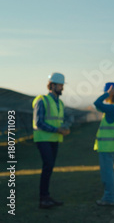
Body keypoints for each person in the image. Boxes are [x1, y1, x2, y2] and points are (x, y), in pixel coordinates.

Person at [32, 72, 70, 209]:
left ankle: (46, 197)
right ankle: (43, 199)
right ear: (52, 85)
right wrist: (56, 130)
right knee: (48, 165)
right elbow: (38, 122)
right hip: (43, 138)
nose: (62, 88)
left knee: (49, 167)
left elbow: (59, 121)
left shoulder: (60, 103)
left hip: (54, 139)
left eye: (62, 85)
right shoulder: (42, 100)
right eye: (60, 85)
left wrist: (64, 129)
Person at [93, 82, 114, 206]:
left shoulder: (111, 108)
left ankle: (109, 198)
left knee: (107, 174)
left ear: (111, 93)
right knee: (109, 172)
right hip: (110, 146)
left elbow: (97, 103)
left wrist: (107, 93)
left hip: (106, 146)